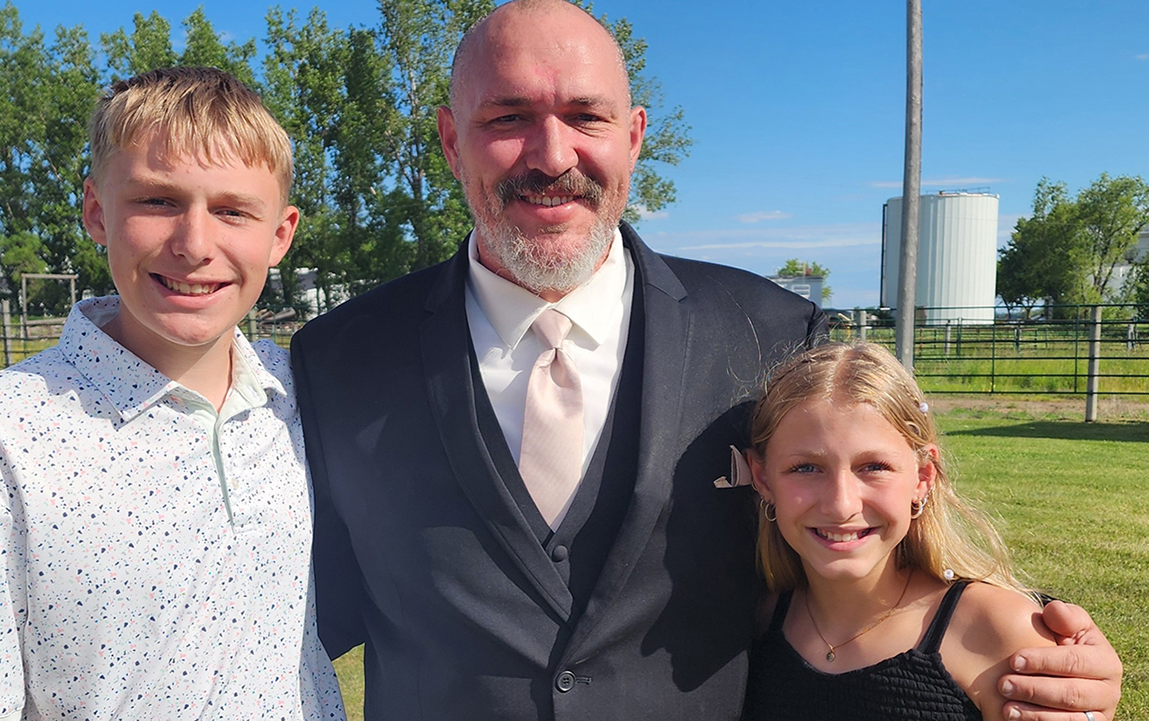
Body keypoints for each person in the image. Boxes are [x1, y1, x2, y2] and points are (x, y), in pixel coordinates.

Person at [291, 1, 1121, 719]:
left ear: (635, 134)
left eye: (586, 116)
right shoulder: (338, 360)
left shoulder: (771, 334)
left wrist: (1040, 642)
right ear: (448, 138)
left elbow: (862, 540)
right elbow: (286, 610)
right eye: (507, 118)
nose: (551, 155)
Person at [0, 67, 344, 720]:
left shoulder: (309, 396)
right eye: (158, 201)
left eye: (231, 210)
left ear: (280, 234)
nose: (194, 244)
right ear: (96, 211)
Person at [742, 342, 1059, 721]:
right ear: (762, 478)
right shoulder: (756, 623)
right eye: (806, 468)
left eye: (874, 466)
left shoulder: (998, 630)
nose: (842, 505)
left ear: (923, 477)